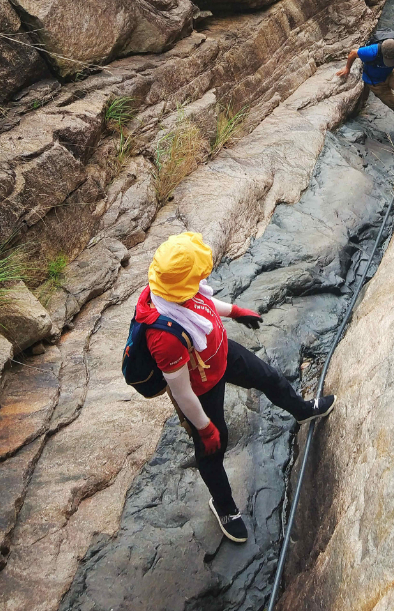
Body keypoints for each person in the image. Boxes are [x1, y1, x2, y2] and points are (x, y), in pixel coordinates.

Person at [134, 232, 335, 545]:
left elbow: (199, 301)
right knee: (213, 446)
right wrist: (204, 428)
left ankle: (302, 411)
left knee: (269, 377)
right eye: (197, 274)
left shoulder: (172, 291)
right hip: (202, 386)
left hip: (221, 354)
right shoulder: (165, 339)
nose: (203, 276)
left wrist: (234, 311)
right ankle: (225, 507)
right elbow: (183, 393)